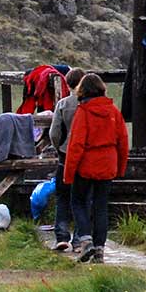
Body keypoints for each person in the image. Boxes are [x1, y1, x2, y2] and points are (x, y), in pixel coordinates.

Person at [63, 73, 129, 264]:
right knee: (101, 206)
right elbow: (123, 142)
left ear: (82, 90)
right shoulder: (113, 111)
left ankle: (85, 240)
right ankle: (99, 249)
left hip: (86, 165)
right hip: (108, 164)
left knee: (78, 201)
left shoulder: (83, 112)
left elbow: (76, 145)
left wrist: (68, 174)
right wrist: (120, 168)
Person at [46, 67, 87, 251]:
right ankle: (80, 239)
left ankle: (61, 236)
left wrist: (59, 147)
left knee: (63, 195)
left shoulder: (63, 104)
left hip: (65, 154)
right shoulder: (87, 103)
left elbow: (54, 132)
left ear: (67, 83)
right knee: (84, 197)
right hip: (86, 155)